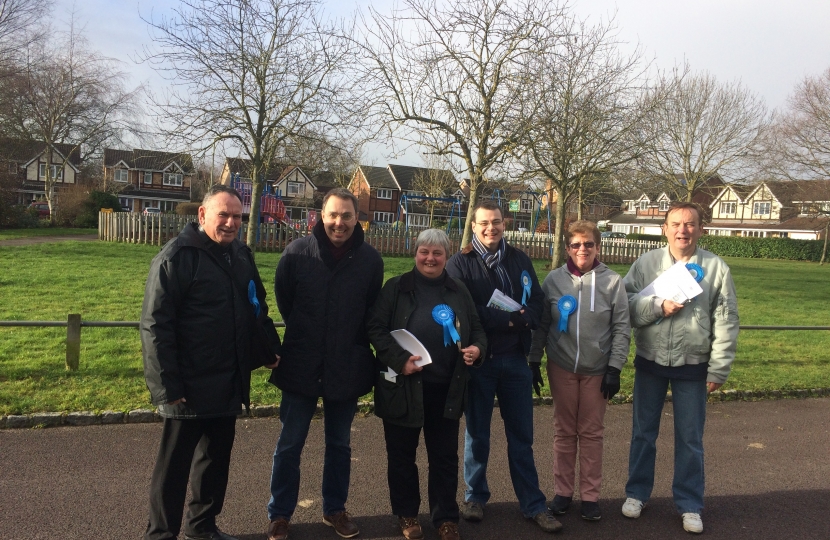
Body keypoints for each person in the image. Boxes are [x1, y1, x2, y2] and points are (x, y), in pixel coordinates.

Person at [141, 185, 282, 540]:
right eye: (224, 215)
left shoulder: (240, 254)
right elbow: (155, 324)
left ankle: (202, 527)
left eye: (237, 216)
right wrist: (166, 385)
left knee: (215, 464)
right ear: (202, 215)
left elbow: (256, 308)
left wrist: (269, 350)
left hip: (227, 378)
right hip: (186, 384)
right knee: (174, 469)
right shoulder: (176, 257)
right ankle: (160, 535)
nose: (231, 222)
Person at [266, 187, 384, 540]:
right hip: (301, 362)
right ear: (321, 215)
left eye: (347, 216)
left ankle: (334, 509)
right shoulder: (297, 253)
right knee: (290, 443)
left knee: (340, 444)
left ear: (356, 218)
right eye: (333, 215)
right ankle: (280, 513)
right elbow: (286, 301)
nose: (339, 222)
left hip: (346, 364)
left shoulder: (370, 260)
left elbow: (370, 310)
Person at [621, 202, 739, 534]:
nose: (682, 230)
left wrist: (719, 367)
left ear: (701, 229)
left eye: (689, 224)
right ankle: (636, 493)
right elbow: (626, 306)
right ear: (664, 228)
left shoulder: (716, 268)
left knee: (690, 438)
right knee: (643, 433)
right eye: (675, 224)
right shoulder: (646, 263)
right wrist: (658, 306)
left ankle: (689, 504)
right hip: (651, 361)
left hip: (693, 365)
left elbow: (726, 320)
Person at [446, 200, 562, 533]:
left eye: (496, 222)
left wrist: (523, 319)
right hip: (480, 361)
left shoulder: (519, 259)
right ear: (474, 226)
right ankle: (475, 498)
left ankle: (533, 504)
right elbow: (468, 312)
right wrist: (512, 322)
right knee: (477, 435)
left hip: (516, 363)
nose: (490, 228)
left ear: (503, 224)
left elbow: (537, 302)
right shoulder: (460, 264)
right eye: (484, 223)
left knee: (522, 438)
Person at [368, 229, 488, 540]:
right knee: (402, 456)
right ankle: (407, 515)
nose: (430, 258)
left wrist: (478, 349)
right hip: (403, 388)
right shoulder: (396, 288)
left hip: (447, 389)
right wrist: (399, 359)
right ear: (415, 253)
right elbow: (376, 328)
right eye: (424, 252)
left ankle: (446, 519)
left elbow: (476, 329)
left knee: (444, 458)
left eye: (437, 253)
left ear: (447, 257)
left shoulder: (458, 290)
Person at [528, 220, 631, 521]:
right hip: (561, 366)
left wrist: (615, 367)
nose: (582, 249)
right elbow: (542, 325)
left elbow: (622, 329)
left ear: (598, 246)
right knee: (563, 431)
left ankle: (590, 495)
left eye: (588, 244)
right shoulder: (553, 280)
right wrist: (534, 360)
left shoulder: (613, 282)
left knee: (591, 433)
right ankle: (563, 492)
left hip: (598, 369)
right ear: (568, 248)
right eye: (575, 244)